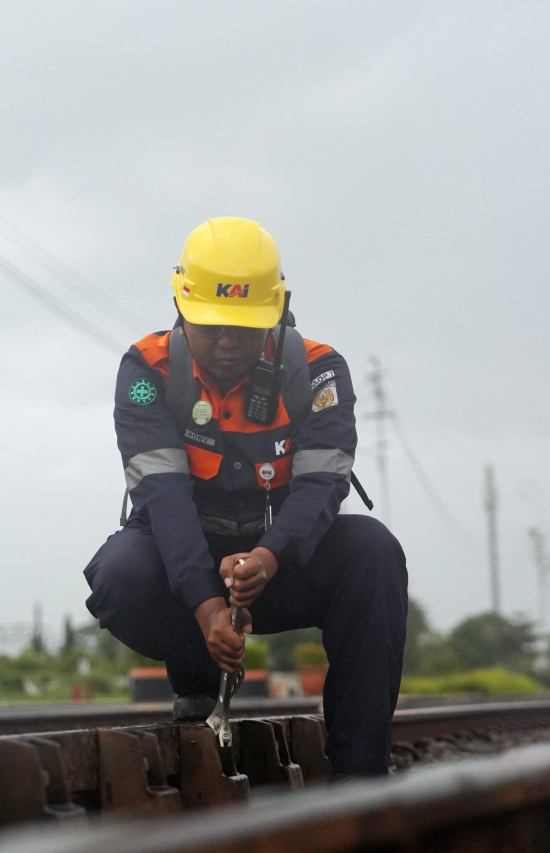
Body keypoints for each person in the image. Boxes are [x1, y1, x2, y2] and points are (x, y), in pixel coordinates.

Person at [83, 216, 408, 777]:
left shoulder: (321, 371)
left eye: (246, 325)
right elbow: (164, 499)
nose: (228, 341)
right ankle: (196, 677)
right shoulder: (148, 370)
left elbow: (321, 485)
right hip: (190, 557)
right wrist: (209, 609)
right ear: (181, 304)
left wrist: (269, 556)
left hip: (281, 559)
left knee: (372, 552)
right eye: (212, 326)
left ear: (278, 311)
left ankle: (361, 774)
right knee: (121, 574)